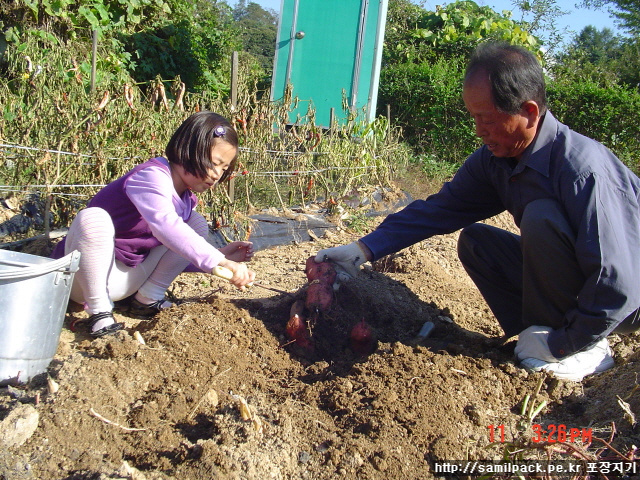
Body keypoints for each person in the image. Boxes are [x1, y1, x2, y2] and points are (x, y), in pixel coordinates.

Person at [317, 41, 640, 382]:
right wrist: (361, 250)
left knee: (540, 217)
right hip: (590, 282)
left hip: (624, 300)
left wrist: (564, 343)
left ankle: (586, 348)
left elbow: (617, 280)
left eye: (486, 118)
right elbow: (440, 210)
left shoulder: (582, 170)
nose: (478, 130)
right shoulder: (496, 160)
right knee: (477, 241)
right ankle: (536, 334)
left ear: (529, 112)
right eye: (474, 117)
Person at [53, 111, 256, 337]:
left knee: (194, 223)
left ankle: (147, 299)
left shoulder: (186, 200)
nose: (217, 174)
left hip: (124, 282)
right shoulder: (151, 177)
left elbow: (174, 250)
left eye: (224, 169)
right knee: (92, 218)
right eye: (215, 163)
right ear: (190, 149)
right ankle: (99, 314)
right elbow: (166, 226)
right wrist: (219, 261)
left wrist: (220, 256)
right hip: (81, 281)